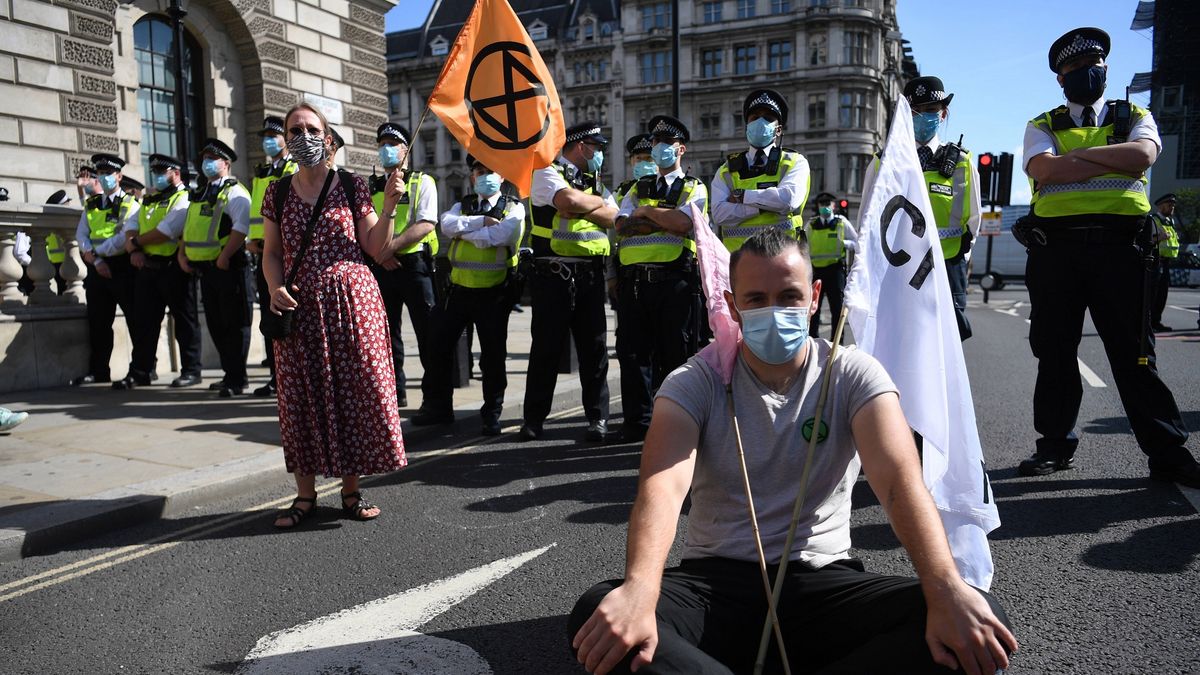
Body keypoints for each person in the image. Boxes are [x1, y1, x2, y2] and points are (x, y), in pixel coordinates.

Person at [568, 228, 1016, 675]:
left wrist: (944, 588)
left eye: (789, 295)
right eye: (757, 298)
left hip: (822, 580)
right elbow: (662, 488)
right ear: (733, 304)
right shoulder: (695, 380)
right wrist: (641, 591)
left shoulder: (853, 373)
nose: (774, 310)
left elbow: (899, 481)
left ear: (815, 295)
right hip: (715, 585)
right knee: (600, 612)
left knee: (975, 617)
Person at [1018, 27, 1200, 487]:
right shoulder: (1042, 123)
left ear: (1105, 67)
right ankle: (1055, 446)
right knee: (1055, 352)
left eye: (1091, 64)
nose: (1085, 73)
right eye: (1074, 68)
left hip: (1123, 250)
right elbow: (1044, 169)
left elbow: (1142, 157)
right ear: (1061, 79)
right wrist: (1107, 157)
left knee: (1136, 354)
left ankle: (1168, 453)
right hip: (1056, 249)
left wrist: (1075, 158)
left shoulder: (1136, 113)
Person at [261, 102, 405, 528]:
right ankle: (304, 498)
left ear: (327, 137)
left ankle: (350, 491)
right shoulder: (278, 191)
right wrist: (274, 286)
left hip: (351, 303)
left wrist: (392, 205)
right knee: (299, 399)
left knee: (352, 394)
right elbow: (271, 253)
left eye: (311, 128)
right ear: (287, 140)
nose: (303, 136)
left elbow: (377, 246)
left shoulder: (352, 185)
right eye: (294, 129)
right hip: (298, 306)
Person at [520, 121, 619, 442]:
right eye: (597, 147)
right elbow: (568, 203)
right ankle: (533, 420)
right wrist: (592, 204)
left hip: (590, 275)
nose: (600, 153)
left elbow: (613, 217)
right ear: (581, 147)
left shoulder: (593, 182)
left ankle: (597, 418)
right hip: (553, 274)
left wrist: (589, 204)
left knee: (594, 351)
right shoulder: (545, 171)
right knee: (546, 349)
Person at [413, 155, 525, 435]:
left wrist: (467, 230)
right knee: (437, 347)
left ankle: (492, 413)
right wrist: (481, 222)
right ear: (472, 176)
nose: (484, 175)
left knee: (492, 357)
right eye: (479, 171)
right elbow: (447, 225)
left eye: (491, 170)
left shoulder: (514, 207)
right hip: (457, 291)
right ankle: (438, 407)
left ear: (502, 176)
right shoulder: (461, 205)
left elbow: (502, 236)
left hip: (493, 293)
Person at [613, 116, 707, 443]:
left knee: (675, 354)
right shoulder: (633, 189)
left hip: (676, 282)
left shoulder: (694, 187)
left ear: (679, 149)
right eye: (654, 142)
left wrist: (646, 213)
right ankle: (637, 423)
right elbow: (623, 226)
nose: (657, 148)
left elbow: (684, 224)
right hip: (635, 283)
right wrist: (660, 217)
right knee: (633, 354)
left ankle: (676, 422)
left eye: (665, 142)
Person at [864, 76, 981, 341]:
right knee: (898, 345)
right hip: (896, 272)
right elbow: (866, 223)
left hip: (946, 270)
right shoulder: (883, 163)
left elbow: (974, 221)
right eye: (916, 111)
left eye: (931, 110)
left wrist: (958, 261)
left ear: (943, 113)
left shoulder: (961, 163)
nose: (924, 117)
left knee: (944, 348)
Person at [115, 153, 202, 389]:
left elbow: (167, 230)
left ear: (175, 173)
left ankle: (192, 370)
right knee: (143, 324)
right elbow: (131, 227)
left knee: (185, 322)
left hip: (174, 268)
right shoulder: (149, 200)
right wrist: (134, 250)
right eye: (154, 172)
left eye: (161, 172)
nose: (157, 177)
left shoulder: (184, 198)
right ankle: (141, 371)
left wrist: (136, 244)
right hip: (147, 268)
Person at [370, 121, 440, 410]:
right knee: (386, 335)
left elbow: (425, 223)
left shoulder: (422, 181)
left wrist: (389, 249)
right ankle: (394, 393)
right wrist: (379, 255)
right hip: (381, 267)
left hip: (414, 265)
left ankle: (433, 397)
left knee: (428, 334)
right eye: (382, 144)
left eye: (392, 144)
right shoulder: (370, 185)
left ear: (405, 150)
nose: (386, 149)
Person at [180, 138, 254, 398]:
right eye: (205, 158)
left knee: (235, 325)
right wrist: (183, 254)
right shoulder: (201, 193)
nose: (207, 163)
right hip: (206, 270)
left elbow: (240, 229)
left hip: (229, 267)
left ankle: (237, 378)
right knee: (217, 325)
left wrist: (224, 256)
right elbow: (189, 228)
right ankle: (228, 374)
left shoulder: (235, 192)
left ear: (226, 163)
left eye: (213, 158)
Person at [71, 153, 141, 386]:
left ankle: (141, 368)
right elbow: (82, 233)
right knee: (98, 322)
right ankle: (99, 370)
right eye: (99, 173)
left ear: (119, 177)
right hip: (97, 268)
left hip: (122, 267)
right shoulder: (91, 205)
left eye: (107, 173)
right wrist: (95, 259)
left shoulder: (131, 203)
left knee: (136, 320)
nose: (103, 177)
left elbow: (125, 236)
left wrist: (100, 254)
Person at [711, 89, 810, 253]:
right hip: (738, 264)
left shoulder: (795, 162)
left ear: (778, 130)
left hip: (782, 260)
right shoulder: (726, 170)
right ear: (747, 126)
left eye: (768, 118)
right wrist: (764, 206)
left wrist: (741, 196)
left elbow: (788, 199)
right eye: (755, 118)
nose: (760, 122)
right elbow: (720, 214)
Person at [248, 116, 299, 397]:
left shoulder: (294, 168)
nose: (268, 140)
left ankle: (290, 377)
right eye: (265, 135)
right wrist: (252, 241)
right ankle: (276, 376)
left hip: (288, 254)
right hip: (264, 253)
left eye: (274, 135)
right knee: (272, 315)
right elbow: (259, 214)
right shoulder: (262, 173)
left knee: (290, 318)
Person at [802, 192, 858, 340]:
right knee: (813, 308)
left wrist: (844, 243)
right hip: (816, 271)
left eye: (828, 204)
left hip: (835, 270)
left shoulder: (841, 222)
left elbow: (857, 242)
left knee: (837, 309)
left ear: (834, 206)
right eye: (822, 204)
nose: (825, 207)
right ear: (818, 207)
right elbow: (803, 245)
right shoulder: (811, 225)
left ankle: (837, 343)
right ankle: (812, 339)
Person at [1149, 193, 1180, 332]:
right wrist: (1160, 237)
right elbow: (1148, 240)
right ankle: (1148, 324)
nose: (1172, 207)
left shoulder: (1170, 221)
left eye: (1173, 205)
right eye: (1169, 205)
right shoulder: (1154, 220)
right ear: (1161, 206)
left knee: (1162, 295)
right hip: (1156, 261)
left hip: (1166, 263)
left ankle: (1156, 322)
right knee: (1153, 295)